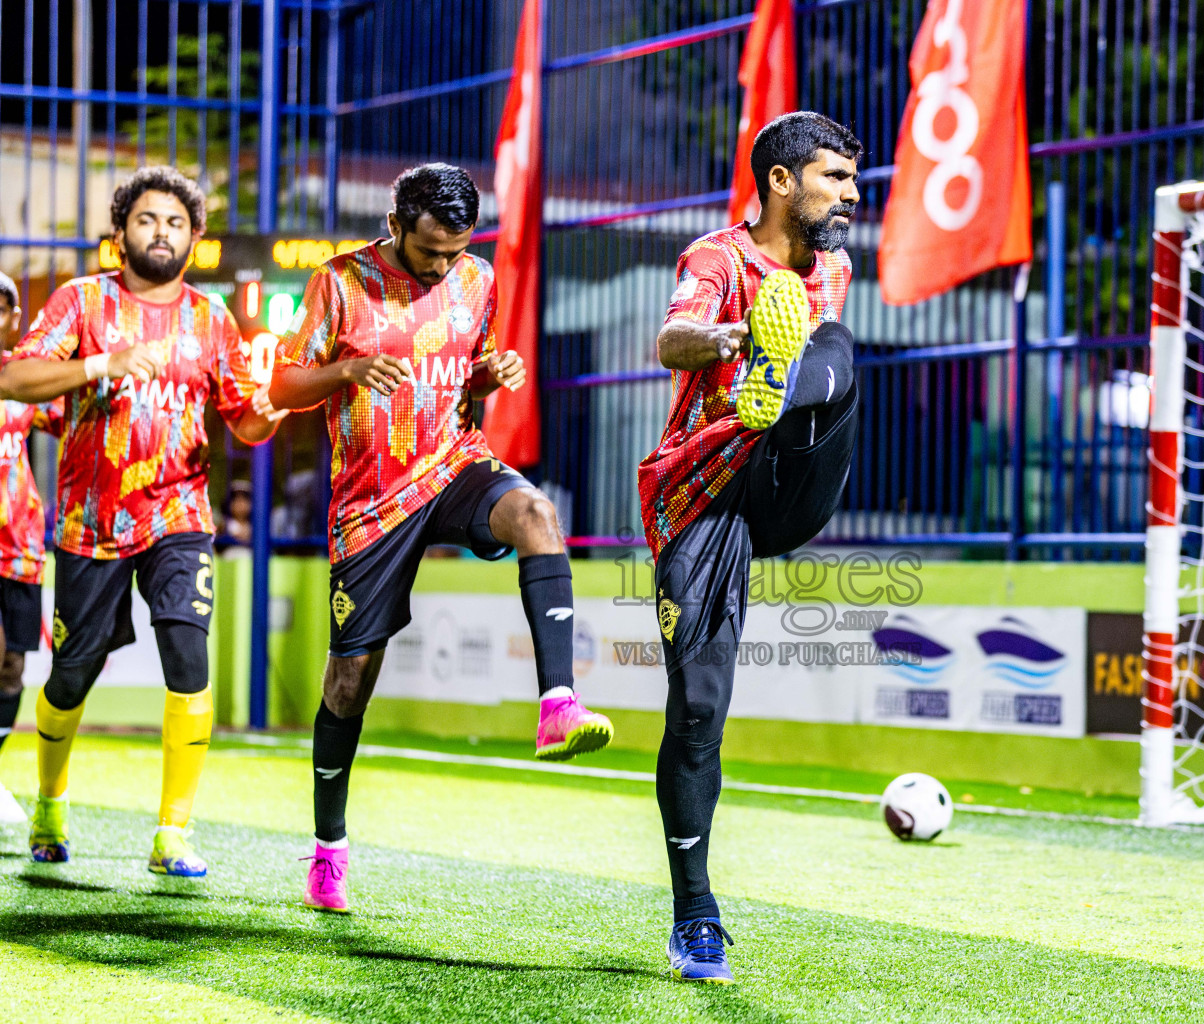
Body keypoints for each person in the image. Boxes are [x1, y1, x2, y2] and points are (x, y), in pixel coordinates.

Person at [270, 162, 614, 914]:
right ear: (396, 225)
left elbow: (465, 374)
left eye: (455, 252)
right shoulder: (338, 281)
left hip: (452, 462)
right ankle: (329, 848)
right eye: (429, 252)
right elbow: (282, 389)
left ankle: (559, 702)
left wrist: (493, 372)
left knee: (537, 515)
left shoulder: (476, 278)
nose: (442, 266)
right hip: (372, 501)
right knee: (349, 682)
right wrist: (349, 368)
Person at [0, 166, 285, 875]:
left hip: (180, 517)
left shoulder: (212, 319)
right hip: (91, 522)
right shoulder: (81, 301)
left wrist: (261, 419)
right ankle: (49, 802)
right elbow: (14, 379)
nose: (162, 233)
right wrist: (107, 360)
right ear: (121, 231)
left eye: (176, 223)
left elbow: (243, 420)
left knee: (189, 656)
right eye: (148, 220)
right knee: (71, 674)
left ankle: (173, 834)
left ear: (194, 238)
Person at [637, 112, 863, 983]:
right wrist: (731, 340)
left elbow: (834, 338)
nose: (849, 194)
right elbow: (670, 340)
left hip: (788, 475)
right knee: (697, 706)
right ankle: (694, 913)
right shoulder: (716, 258)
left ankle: (784, 379)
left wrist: (782, 372)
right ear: (780, 180)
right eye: (834, 178)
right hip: (701, 492)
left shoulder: (835, 269)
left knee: (837, 345)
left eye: (849, 179)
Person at [0, 271, 57, 825]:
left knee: (13, 667)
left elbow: (73, 419)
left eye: (2, 309)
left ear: (15, 320)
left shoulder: (25, 380)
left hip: (19, 544)